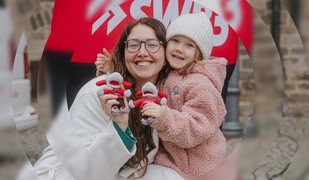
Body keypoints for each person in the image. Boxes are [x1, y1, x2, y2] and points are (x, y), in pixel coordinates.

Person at [18, 17, 184, 180]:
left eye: (152, 45)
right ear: (123, 53)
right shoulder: (100, 92)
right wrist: (119, 126)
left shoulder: (166, 94)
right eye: (133, 45)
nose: (142, 52)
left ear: (165, 54)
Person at [95, 12, 228, 180]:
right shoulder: (171, 74)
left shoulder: (201, 84)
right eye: (175, 41)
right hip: (170, 158)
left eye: (189, 45)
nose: (179, 48)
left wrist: (163, 117)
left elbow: (197, 127)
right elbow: (140, 86)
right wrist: (114, 68)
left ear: (199, 54)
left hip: (195, 165)